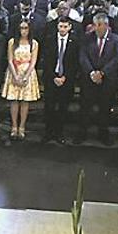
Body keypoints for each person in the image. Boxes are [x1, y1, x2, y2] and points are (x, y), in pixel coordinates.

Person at [78, 13, 118, 145]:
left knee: (105, 107)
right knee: (85, 107)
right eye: (94, 25)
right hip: (89, 78)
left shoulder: (116, 40)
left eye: (98, 25)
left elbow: (117, 59)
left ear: (106, 26)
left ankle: (103, 134)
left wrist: (102, 73)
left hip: (107, 79)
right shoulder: (87, 38)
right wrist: (92, 73)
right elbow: (82, 56)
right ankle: (82, 133)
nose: (95, 28)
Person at [39, 16, 79, 144]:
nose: (63, 29)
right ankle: (48, 132)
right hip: (51, 78)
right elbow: (46, 61)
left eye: (65, 26)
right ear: (57, 26)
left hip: (66, 79)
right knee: (49, 106)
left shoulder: (75, 41)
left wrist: (64, 77)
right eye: (61, 26)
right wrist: (54, 77)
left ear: (70, 27)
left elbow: (75, 63)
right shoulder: (49, 39)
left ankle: (59, 133)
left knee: (62, 107)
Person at [1, 20, 40, 140]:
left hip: (28, 73)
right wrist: (15, 75)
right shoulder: (12, 42)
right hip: (14, 71)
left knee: (24, 101)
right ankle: (14, 127)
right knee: (14, 101)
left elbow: (33, 61)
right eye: (21, 28)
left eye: (26, 28)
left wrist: (26, 76)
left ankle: (22, 127)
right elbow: (9, 59)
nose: (23, 31)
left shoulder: (34, 43)